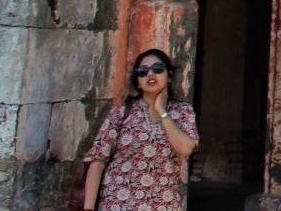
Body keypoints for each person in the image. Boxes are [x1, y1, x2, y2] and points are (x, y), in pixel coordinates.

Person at [82, 52, 196, 211]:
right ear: (138, 82)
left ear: (168, 76)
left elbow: (186, 148)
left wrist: (162, 111)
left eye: (157, 69)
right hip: (118, 204)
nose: (150, 73)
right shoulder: (122, 113)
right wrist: (88, 209)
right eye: (143, 71)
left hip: (163, 204)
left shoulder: (183, 112)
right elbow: (98, 160)